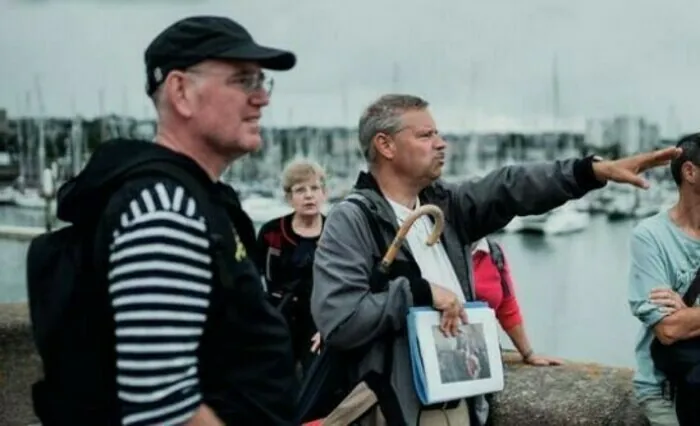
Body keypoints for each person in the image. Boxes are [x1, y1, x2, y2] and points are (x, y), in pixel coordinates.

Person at [310, 93, 680, 426]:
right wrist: (421, 292)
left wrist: (590, 171)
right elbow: (339, 322)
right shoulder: (353, 219)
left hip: (461, 406)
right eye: (425, 135)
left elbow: (511, 186)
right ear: (385, 145)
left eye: (437, 133)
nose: (441, 143)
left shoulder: (446, 206)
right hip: (397, 409)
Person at [28, 15, 300, 425]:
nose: (262, 98)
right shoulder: (164, 210)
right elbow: (164, 408)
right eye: (244, 81)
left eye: (263, 82)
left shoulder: (189, 199)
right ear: (181, 91)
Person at [628, 133, 700, 426]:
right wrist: (681, 320)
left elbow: (682, 324)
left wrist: (690, 316)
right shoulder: (650, 237)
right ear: (690, 171)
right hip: (664, 388)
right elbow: (669, 330)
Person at [256, 158, 327, 376]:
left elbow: (349, 285)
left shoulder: (336, 231)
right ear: (289, 197)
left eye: (315, 188)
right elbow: (251, 280)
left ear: (324, 193)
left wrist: (329, 329)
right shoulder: (271, 233)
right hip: (276, 319)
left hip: (320, 322)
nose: (309, 195)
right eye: (300, 190)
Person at [471, 237, 562, 366]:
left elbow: (507, 306)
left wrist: (528, 353)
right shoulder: (437, 250)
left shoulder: (493, 252)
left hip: (482, 356)